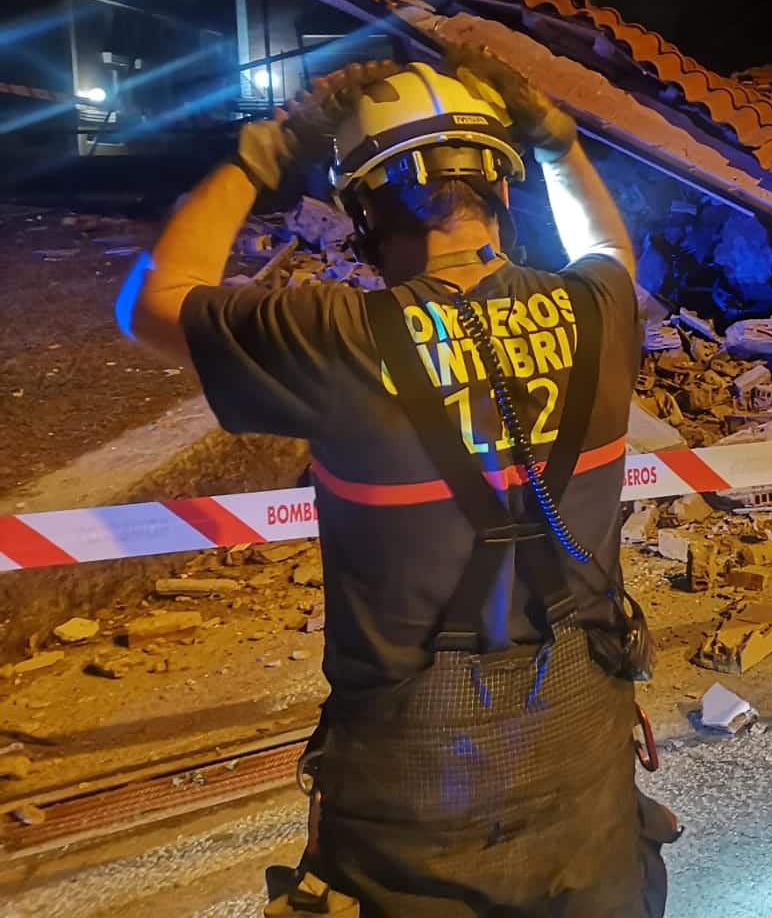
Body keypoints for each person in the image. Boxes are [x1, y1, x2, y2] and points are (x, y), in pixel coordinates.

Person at [119, 50, 676, 916]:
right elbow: (609, 246)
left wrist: (255, 158)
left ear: (370, 211)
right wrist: (560, 142)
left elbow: (151, 303)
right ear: (499, 189)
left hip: (416, 809)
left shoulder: (335, 335)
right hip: (586, 780)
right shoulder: (599, 310)